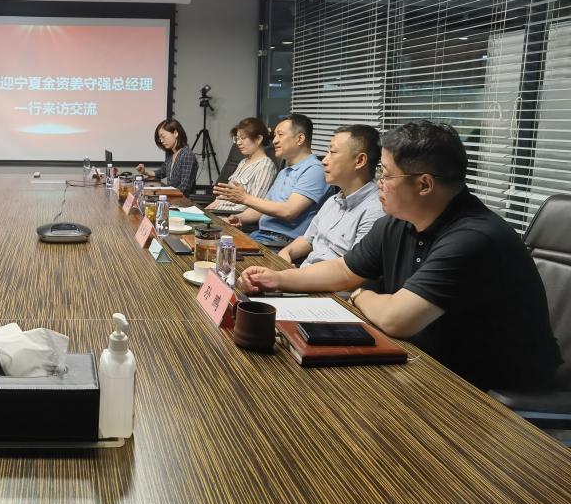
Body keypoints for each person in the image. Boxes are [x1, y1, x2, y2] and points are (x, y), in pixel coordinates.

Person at [240, 121, 561, 391]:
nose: (379, 183)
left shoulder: (473, 238)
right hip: (428, 366)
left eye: (387, 174)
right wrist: (278, 278)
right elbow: (343, 270)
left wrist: (361, 295)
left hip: (491, 392)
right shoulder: (399, 223)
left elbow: (397, 318)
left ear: (424, 185)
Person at [215, 113, 329, 248]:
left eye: (280, 135)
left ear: (299, 139)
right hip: (261, 236)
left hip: (282, 242)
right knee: (208, 244)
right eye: (275, 135)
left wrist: (245, 198)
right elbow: (262, 209)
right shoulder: (284, 172)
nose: (274, 141)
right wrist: (239, 218)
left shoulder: (314, 170)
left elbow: (288, 211)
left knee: (217, 253)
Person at [278, 124, 384, 267]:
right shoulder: (333, 201)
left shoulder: (375, 211)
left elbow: (354, 271)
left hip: (323, 280)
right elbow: (308, 239)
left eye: (332, 152)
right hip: (303, 274)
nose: (324, 161)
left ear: (359, 161)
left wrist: (297, 276)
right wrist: (286, 253)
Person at [211, 117, 278, 215]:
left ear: (258, 139)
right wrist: (204, 213)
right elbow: (222, 199)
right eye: (237, 138)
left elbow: (256, 206)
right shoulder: (243, 162)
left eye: (243, 138)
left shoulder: (265, 166)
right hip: (218, 212)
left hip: (231, 217)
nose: (238, 143)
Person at [135, 119, 199, 194]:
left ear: (175, 133)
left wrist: (161, 193)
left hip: (182, 200)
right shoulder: (171, 155)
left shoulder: (187, 155)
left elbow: (184, 188)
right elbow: (161, 173)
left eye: (163, 136)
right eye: (160, 138)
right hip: (171, 197)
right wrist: (144, 172)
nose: (161, 141)